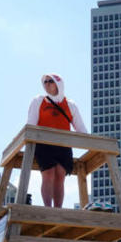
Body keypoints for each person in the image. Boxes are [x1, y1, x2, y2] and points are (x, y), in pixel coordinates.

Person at [26, 73, 89, 208]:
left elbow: (81, 129)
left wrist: (91, 145)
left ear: (58, 84)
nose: (47, 84)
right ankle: (48, 208)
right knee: (48, 173)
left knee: (60, 174)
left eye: (50, 81)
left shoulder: (70, 105)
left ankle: (57, 209)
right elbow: (31, 124)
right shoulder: (38, 101)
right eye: (45, 82)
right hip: (44, 143)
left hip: (63, 144)